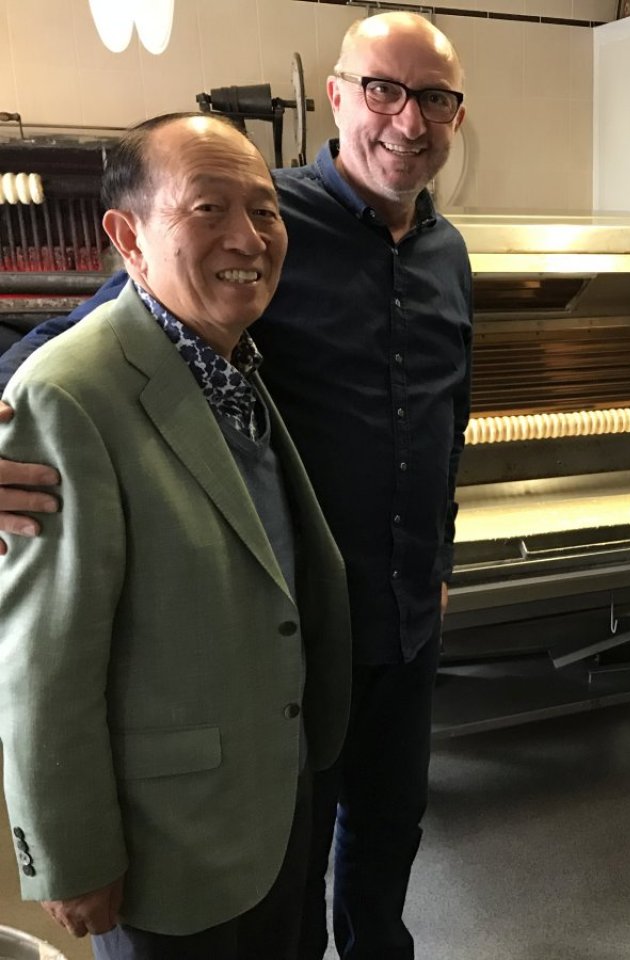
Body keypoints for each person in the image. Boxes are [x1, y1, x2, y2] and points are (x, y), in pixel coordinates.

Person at [0, 12, 471, 959]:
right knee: (282, 855)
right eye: (383, 89)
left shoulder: (447, 251)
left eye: (435, 99)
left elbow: (443, 419)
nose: (407, 121)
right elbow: (82, 347)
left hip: (405, 618)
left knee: (385, 844)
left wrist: (440, 555)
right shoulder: (263, 221)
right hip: (287, 634)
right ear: (337, 97)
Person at [0, 113, 351, 957]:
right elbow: (43, 661)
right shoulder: (70, 394)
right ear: (128, 234)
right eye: (208, 208)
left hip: (271, 795)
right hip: (166, 838)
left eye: (266, 212)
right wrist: (72, 855)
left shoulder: (232, 359)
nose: (249, 236)